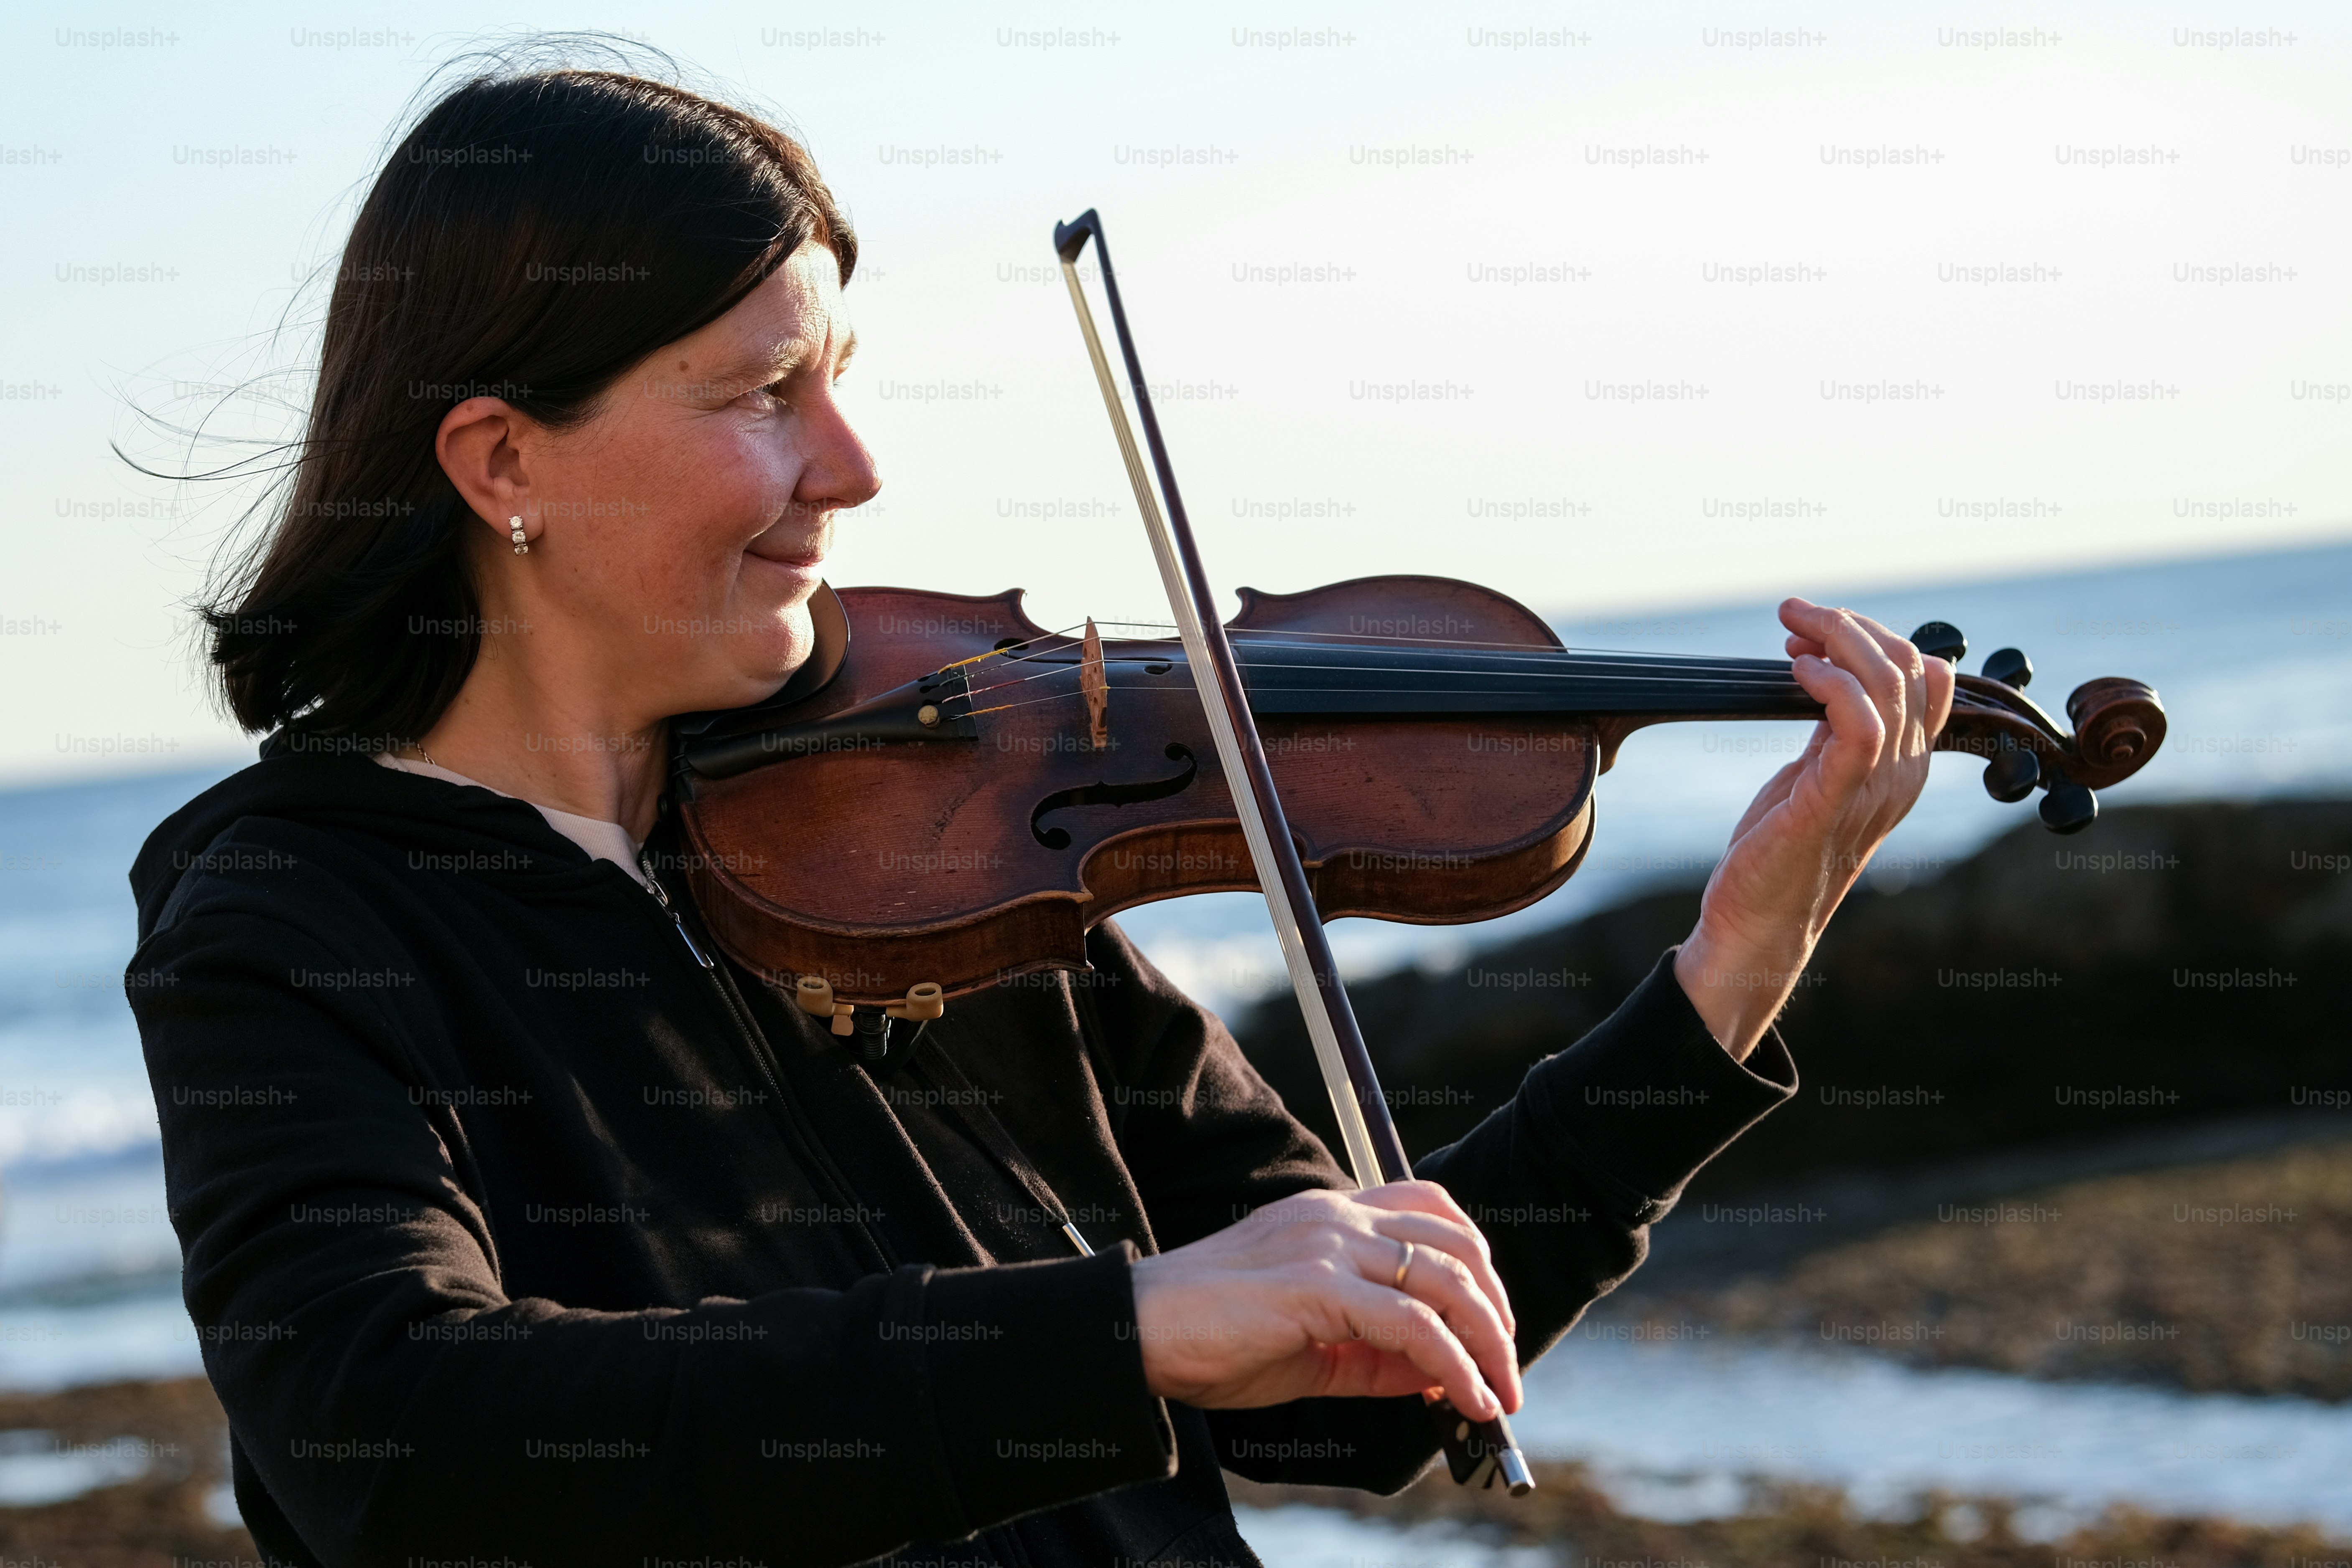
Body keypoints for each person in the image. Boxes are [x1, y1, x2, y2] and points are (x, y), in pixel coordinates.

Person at [130, 58, 1953, 1568]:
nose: (849, 467)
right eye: (767, 395)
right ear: (502, 459)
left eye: (839, 382)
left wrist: (1731, 971)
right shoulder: (290, 912)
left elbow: (1356, 1366)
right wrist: (1121, 1324)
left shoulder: (927, 823)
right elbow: (401, 1436)